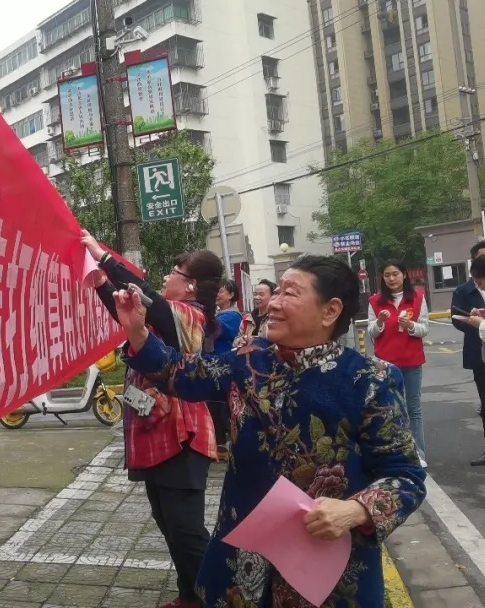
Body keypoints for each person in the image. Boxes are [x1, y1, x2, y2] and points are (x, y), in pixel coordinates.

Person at [113, 254, 426, 607]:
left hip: (327, 573)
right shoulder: (250, 359)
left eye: (289, 293)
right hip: (241, 565)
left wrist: (355, 511)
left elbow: (406, 477)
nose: (273, 303)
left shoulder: (369, 380)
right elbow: (182, 374)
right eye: (276, 292)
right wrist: (137, 331)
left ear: (330, 311)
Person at [81, 230, 222, 608]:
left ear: (191, 286)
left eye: (174, 272)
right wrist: (101, 284)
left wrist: (104, 258)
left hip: (182, 436)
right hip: (157, 433)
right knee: (168, 524)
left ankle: (215, 598)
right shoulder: (165, 316)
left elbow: (148, 300)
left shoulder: (191, 316)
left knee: (186, 530)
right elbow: (130, 314)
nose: (166, 277)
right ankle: (190, 595)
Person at [367, 260, 429, 468]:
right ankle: (393, 453)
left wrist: (411, 325)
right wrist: (379, 322)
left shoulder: (418, 298)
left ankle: (418, 452)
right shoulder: (375, 301)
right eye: (387, 275)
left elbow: (424, 329)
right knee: (388, 409)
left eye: (395, 274)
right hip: (385, 365)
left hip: (411, 362)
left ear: (404, 274)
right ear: (382, 278)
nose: (391, 278)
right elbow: (371, 332)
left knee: (413, 407)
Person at [451, 250, 485, 466]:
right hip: (479, 354)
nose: (480, 286)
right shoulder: (463, 290)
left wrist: (480, 324)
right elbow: (456, 318)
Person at [208, 279, 243, 459]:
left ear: (231, 295)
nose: (217, 295)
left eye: (220, 291)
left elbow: (211, 329)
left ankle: (228, 447)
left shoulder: (232, 316)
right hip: (215, 366)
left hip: (223, 367)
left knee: (222, 409)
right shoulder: (220, 314)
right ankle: (221, 446)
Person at [235, 279, 275, 345]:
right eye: (255, 294)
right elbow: (235, 341)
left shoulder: (275, 318)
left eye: (261, 294)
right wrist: (241, 340)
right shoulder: (247, 318)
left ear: (272, 296)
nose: (256, 297)